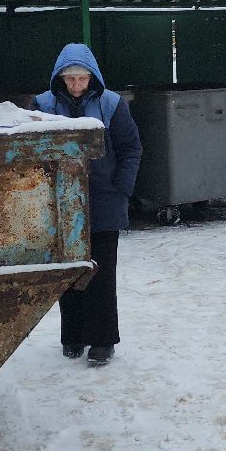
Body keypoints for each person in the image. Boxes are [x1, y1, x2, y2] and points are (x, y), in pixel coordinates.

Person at [34, 43, 142, 367]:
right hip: (61, 205)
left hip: (104, 203)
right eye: (70, 80)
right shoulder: (44, 105)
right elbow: (33, 151)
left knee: (102, 274)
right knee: (68, 272)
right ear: (60, 79)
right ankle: (73, 336)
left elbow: (131, 148)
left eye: (81, 79)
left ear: (92, 77)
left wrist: (121, 187)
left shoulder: (112, 105)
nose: (76, 86)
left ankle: (103, 340)